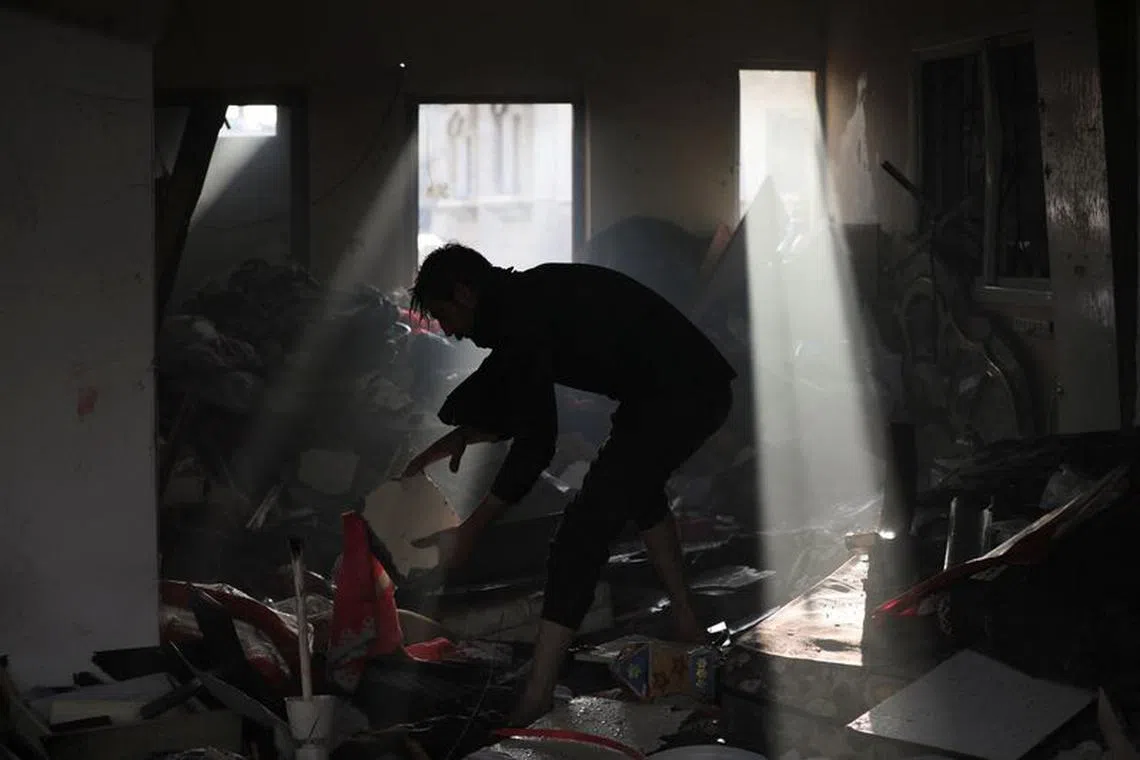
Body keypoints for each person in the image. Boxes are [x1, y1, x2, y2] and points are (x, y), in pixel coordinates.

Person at [401, 243, 736, 726]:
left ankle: (536, 697)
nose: (448, 331)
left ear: (466, 293)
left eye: (444, 314)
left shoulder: (523, 315)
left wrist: (471, 531)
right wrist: (462, 435)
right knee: (635, 486)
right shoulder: (523, 301)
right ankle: (687, 621)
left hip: (684, 393)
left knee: (580, 534)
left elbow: (537, 443)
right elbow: (511, 390)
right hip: (664, 392)